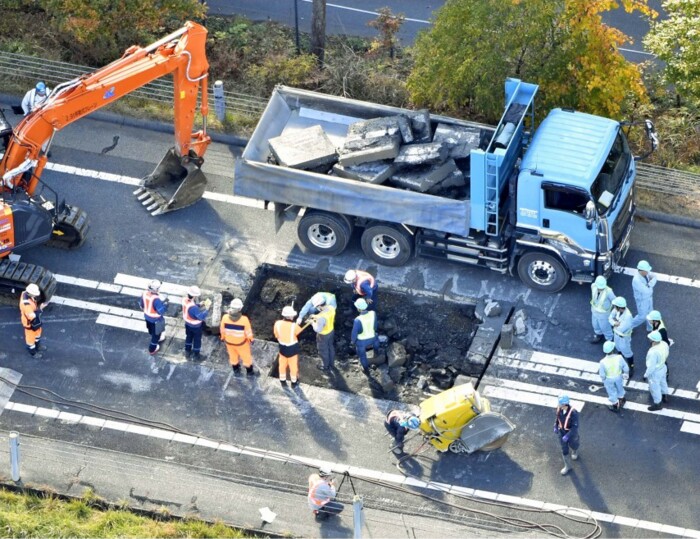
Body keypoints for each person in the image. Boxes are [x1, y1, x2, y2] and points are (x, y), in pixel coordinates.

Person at [220, 298, 257, 376]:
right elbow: (248, 332)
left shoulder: (225, 317)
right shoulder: (244, 319)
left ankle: (236, 370)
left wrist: (222, 338)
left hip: (229, 343)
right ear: (240, 308)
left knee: (233, 356)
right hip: (241, 344)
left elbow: (222, 330)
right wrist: (251, 339)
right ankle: (250, 372)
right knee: (246, 357)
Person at [273, 305, 303, 387]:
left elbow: (276, 335)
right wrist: (297, 324)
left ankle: (282, 380)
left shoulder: (277, 323)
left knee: (282, 365)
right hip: (292, 350)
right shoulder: (294, 326)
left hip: (282, 349)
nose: (293, 316)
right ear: (289, 316)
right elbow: (299, 333)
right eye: (292, 315)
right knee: (293, 367)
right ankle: (294, 382)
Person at [139, 280, 168, 355]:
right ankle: (152, 349)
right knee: (156, 335)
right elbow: (161, 311)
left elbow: (141, 305)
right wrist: (165, 304)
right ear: (157, 289)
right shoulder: (156, 299)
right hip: (156, 320)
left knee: (151, 330)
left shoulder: (144, 293)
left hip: (147, 317)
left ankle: (158, 337)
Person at [182, 285, 211, 361]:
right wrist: (207, 310)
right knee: (197, 340)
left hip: (187, 324)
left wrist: (199, 304)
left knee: (189, 337)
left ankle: (187, 351)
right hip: (196, 327)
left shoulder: (185, 300)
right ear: (194, 296)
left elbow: (190, 306)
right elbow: (201, 317)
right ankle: (196, 355)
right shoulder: (194, 308)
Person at [351, 298, 379, 375]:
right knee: (376, 338)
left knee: (362, 356)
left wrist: (353, 341)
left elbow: (354, 333)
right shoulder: (373, 313)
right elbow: (375, 327)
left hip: (362, 341)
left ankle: (366, 369)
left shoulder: (357, 320)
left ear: (358, 309)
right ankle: (376, 352)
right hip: (373, 338)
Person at [598, 341, 629, 413]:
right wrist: (626, 373)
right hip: (618, 376)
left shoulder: (602, 362)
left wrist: (604, 379)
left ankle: (615, 404)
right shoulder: (619, 357)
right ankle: (622, 398)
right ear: (613, 349)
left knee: (611, 391)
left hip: (609, 379)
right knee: (620, 387)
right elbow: (625, 367)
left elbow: (602, 374)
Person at [609, 296, 635, 376]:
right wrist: (615, 323)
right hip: (616, 334)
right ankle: (620, 361)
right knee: (618, 348)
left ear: (619, 307)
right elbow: (610, 318)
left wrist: (614, 323)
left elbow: (621, 329)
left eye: (615, 306)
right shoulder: (616, 310)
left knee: (627, 352)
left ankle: (631, 367)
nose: (614, 307)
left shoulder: (628, 316)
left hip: (623, 337)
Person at [554, 395, 579, 476]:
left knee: (574, 445)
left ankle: (574, 451)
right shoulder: (559, 409)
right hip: (562, 432)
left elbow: (575, 427)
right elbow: (557, 418)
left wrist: (568, 435)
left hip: (571, 434)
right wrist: (555, 426)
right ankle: (567, 466)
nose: (559, 405)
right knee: (564, 449)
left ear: (565, 404)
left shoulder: (573, 413)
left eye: (560, 403)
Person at [19, 283, 46, 358]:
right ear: (30, 293)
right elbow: (33, 316)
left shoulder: (25, 293)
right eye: (35, 294)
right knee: (30, 339)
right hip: (29, 324)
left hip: (34, 322)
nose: (36, 296)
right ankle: (33, 353)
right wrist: (40, 308)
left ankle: (38, 345)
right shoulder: (26, 305)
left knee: (37, 333)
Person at [645, 330, 670, 411]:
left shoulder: (653, 352)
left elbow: (651, 367)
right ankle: (665, 395)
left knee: (655, 388)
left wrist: (646, 375)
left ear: (653, 341)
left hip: (655, 372)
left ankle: (657, 404)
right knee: (663, 382)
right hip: (663, 367)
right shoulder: (664, 344)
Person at [310, 300, 336, 372]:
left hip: (323, 335)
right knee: (330, 347)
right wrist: (316, 316)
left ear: (320, 306)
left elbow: (318, 329)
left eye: (317, 307)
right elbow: (325, 315)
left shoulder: (321, 317)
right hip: (331, 331)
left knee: (323, 350)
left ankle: (325, 366)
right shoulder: (331, 308)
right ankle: (332, 364)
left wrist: (312, 323)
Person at [631, 260, 657, 331]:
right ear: (642, 271)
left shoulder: (645, 273)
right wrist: (651, 285)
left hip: (648, 298)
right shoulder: (636, 280)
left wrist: (649, 284)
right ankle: (629, 326)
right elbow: (646, 291)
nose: (648, 272)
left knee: (650, 313)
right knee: (642, 317)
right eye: (647, 271)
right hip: (642, 301)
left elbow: (655, 277)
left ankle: (650, 328)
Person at [647, 310, 673, 380]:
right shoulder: (656, 323)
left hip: (661, 347)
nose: (649, 320)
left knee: (663, 360)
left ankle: (666, 373)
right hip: (658, 344)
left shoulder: (662, 330)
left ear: (655, 321)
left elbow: (665, 342)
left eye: (650, 319)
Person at [589, 276, 615, 344]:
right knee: (595, 324)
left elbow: (614, 301)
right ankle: (598, 334)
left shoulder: (609, 292)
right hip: (594, 311)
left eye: (602, 288)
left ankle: (609, 339)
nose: (600, 289)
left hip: (604, 314)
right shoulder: (593, 286)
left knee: (605, 327)